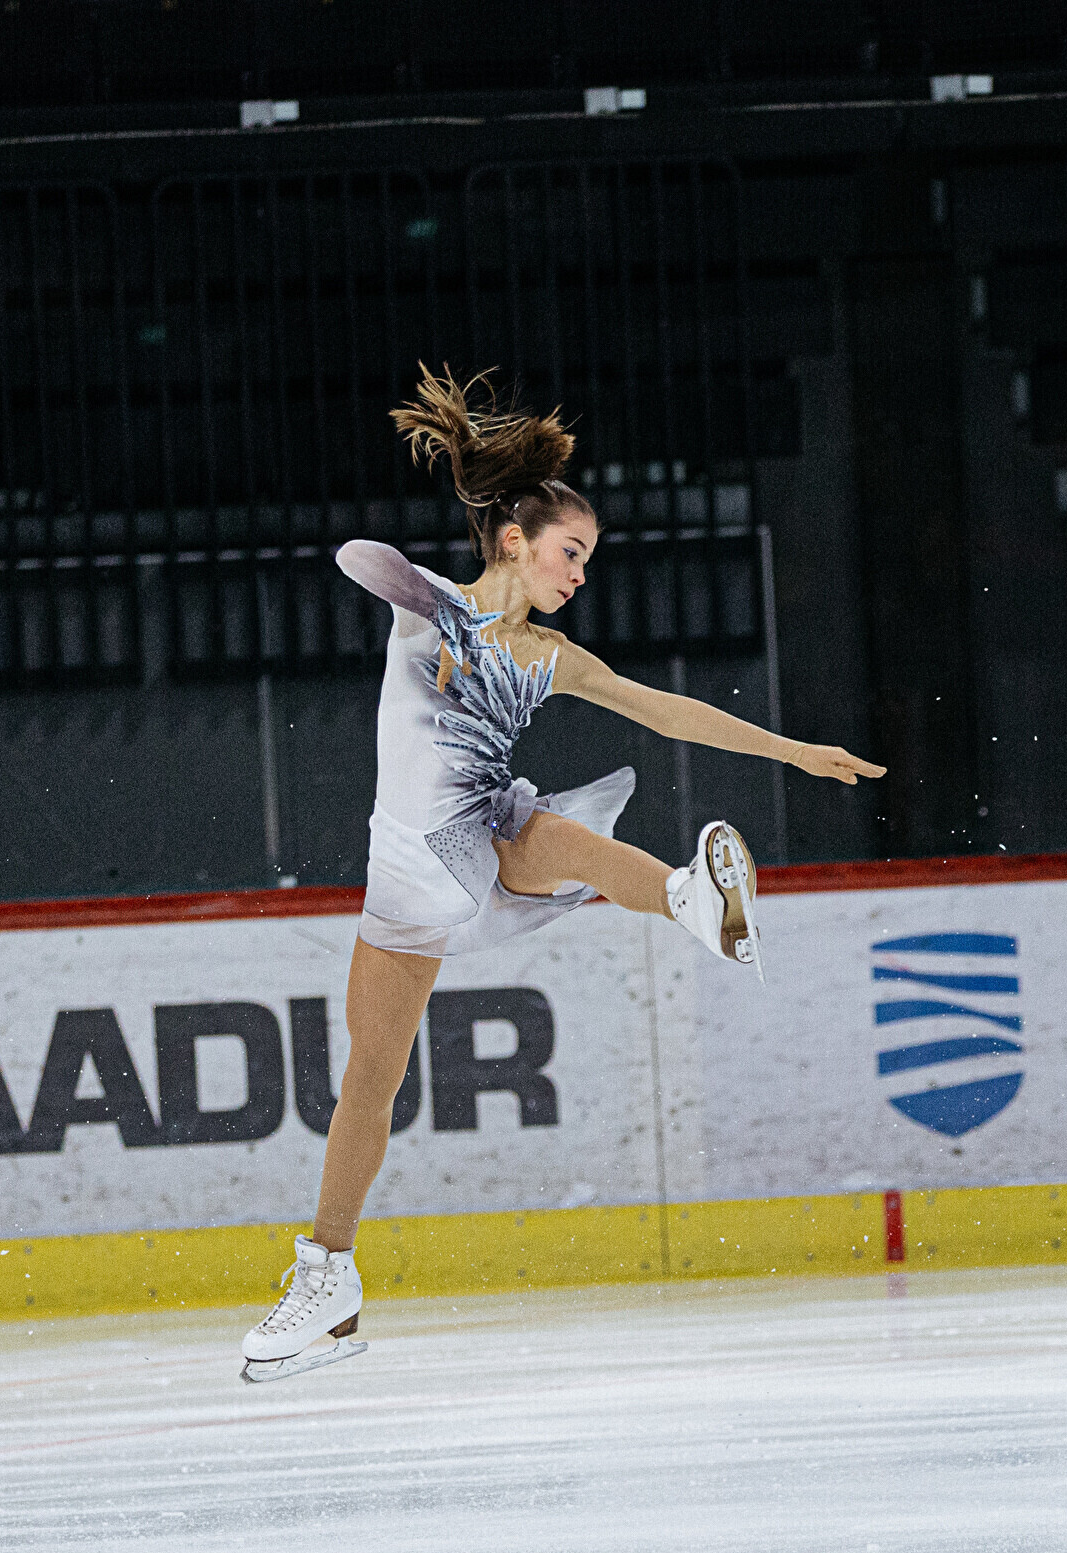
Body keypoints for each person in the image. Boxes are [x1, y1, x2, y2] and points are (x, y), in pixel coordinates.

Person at [240, 368, 883, 1381]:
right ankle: (329, 1279)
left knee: (523, 823)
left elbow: (664, 710)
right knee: (369, 1080)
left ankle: (687, 896)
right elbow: (357, 558)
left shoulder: (549, 656)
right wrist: (428, 598)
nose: (581, 574)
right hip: (401, 880)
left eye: (586, 559)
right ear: (514, 542)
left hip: (476, 842)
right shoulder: (432, 617)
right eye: (570, 552)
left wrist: (792, 750)